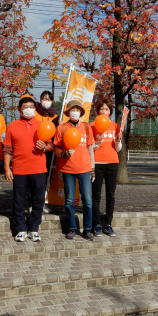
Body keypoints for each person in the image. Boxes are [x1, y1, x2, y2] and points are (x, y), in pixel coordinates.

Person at [4, 95, 52, 242]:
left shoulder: (42, 125)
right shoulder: (12, 126)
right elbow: (7, 149)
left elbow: (50, 145)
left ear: (35, 109)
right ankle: (20, 229)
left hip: (39, 169)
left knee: (38, 200)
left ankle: (34, 228)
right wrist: (7, 168)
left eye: (31, 107)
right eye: (25, 107)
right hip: (19, 169)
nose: (29, 109)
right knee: (18, 200)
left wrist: (45, 148)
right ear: (19, 110)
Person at [53, 100, 95, 241]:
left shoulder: (86, 127)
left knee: (87, 200)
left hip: (85, 168)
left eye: (77, 110)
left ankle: (87, 229)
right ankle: (72, 228)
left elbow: (90, 149)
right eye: (72, 110)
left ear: (81, 113)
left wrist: (93, 168)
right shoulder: (62, 128)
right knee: (69, 200)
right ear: (68, 112)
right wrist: (63, 154)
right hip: (68, 168)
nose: (75, 112)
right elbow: (56, 148)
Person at [90, 98, 122, 237]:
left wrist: (118, 141)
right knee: (96, 195)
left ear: (110, 112)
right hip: (96, 164)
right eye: (102, 109)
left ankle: (108, 224)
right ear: (98, 111)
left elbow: (118, 148)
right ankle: (96, 224)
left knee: (111, 195)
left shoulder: (116, 126)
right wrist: (97, 141)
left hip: (112, 163)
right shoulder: (92, 125)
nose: (104, 111)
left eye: (107, 109)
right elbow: (90, 148)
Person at [32, 90, 59, 214]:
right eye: (44, 98)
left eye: (48, 99)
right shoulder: (35, 113)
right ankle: (32, 203)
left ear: (52, 101)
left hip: (49, 151)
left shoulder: (55, 116)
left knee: (46, 177)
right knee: (35, 177)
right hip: (35, 149)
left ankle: (42, 202)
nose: (46, 101)